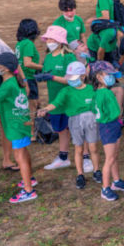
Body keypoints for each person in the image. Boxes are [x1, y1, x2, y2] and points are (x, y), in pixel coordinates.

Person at [37, 61, 101, 190]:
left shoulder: (91, 89)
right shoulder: (66, 91)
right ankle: (80, 174)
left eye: (73, 78)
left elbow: (98, 105)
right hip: (75, 121)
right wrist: (46, 109)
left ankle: (96, 171)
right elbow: (55, 103)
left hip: (91, 121)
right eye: (69, 78)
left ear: (83, 76)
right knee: (78, 149)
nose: (70, 81)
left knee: (93, 148)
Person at [0, 52, 37, 203]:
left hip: (15, 126)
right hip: (22, 123)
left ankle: (28, 191)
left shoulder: (7, 86)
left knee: (19, 157)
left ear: (5, 68)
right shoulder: (16, 81)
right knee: (24, 153)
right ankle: (30, 179)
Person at [36, 25, 77, 171]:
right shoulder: (48, 57)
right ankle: (63, 157)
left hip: (68, 100)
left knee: (74, 128)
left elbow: (71, 80)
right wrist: (42, 77)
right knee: (60, 129)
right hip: (54, 100)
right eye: (48, 39)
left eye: (52, 39)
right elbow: (47, 72)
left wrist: (52, 77)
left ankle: (85, 157)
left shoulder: (68, 57)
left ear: (60, 41)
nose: (49, 41)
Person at [90, 61, 124, 200]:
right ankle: (105, 188)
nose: (111, 77)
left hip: (113, 125)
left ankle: (116, 181)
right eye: (108, 74)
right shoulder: (104, 94)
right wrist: (114, 117)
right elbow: (107, 112)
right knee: (110, 158)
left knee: (114, 155)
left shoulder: (102, 92)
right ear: (98, 77)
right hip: (108, 126)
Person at [0, 36, 21, 171]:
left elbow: (14, 61)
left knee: (4, 121)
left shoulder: (0, 45)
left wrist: (23, 80)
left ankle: (7, 159)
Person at [15, 19, 43, 139]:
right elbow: (27, 63)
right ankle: (32, 132)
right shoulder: (28, 44)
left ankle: (29, 129)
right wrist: (44, 67)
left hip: (20, 77)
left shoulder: (19, 44)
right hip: (28, 78)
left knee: (30, 104)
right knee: (32, 105)